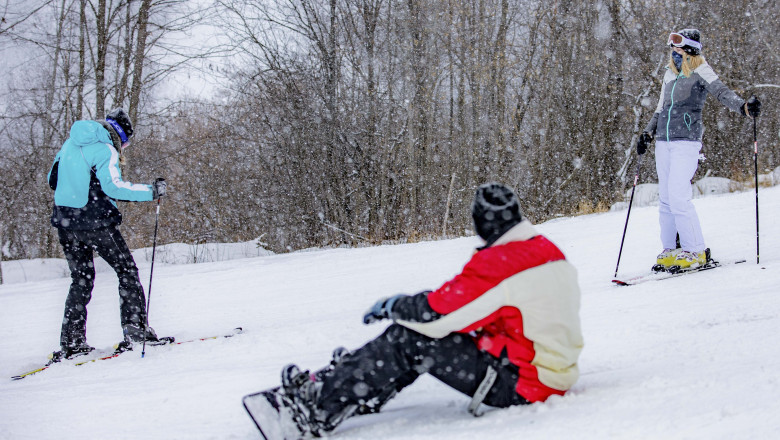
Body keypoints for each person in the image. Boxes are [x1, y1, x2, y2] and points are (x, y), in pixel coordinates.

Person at [252, 183, 584, 437]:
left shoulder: (500, 262)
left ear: (482, 221)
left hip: (522, 384)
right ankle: (360, 382)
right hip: (544, 371)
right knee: (431, 329)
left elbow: (436, 313)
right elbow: (464, 306)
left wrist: (396, 306)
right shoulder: (545, 250)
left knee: (411, 337)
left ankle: (316, 407)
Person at [47, 108, 168, 361]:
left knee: (80, 280)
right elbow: (114, 186)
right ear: (121, 135)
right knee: (127, 271)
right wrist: (151, 191)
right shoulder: (105, 149)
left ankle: (72, 341)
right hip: (95, 223)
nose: (125, 147)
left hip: (66, 223)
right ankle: (136, 330)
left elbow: (52, 179)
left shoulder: (69, 143)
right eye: (126, 142)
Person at [636, 28, 762, 271]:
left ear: (690, 49)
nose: (673, 51)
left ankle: (695, 250)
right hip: (663, 141)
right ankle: (671, 249)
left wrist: (744, 107)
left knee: (678, 195)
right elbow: (661, 108)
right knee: (665, 198)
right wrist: (648, 132)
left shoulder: (700, 70)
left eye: (678, 48)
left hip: (686, 140)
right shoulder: (669, 74)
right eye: (672, 48)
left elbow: (722, 93)